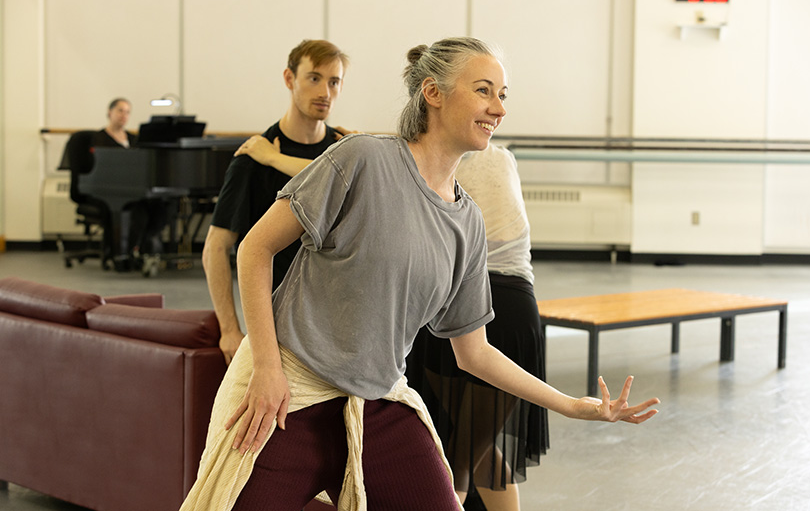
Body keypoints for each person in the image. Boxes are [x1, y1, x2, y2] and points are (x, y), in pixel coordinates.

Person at [179, 37, 659, 511]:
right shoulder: (362, 158)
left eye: (503, 96)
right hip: (289, 393)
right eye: (484, 90)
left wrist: (571, 405)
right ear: (433, 93)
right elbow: (253, 248)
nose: (499, 109)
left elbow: (474, 353)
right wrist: (265, 368)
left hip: (378, 403)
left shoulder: (467, 221)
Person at [407, 143, 546, 511]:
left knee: (461, 460)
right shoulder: (502, 156)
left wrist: (272, 157)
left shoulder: (430, 159)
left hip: (465, 308)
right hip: (494, 310)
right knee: (473, 449)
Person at [201, 39, 350, 365]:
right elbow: (215, 246)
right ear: (289, 79)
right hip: (278, 323)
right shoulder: (251, 159)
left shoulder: (344, 149)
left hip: (340, 318)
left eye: (334, 81)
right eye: (314, 78)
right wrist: (229, 328)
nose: (325, 91)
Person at [92, 98, 170, 268]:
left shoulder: (135, 139)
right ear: (109, 112)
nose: (124, 115)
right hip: (109, 189)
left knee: (161, 209)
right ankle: (121, 255)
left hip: (136, 189)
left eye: (127, 112)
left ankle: (142, 249)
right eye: (120, 110)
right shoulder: (98, 138)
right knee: (138, 213)